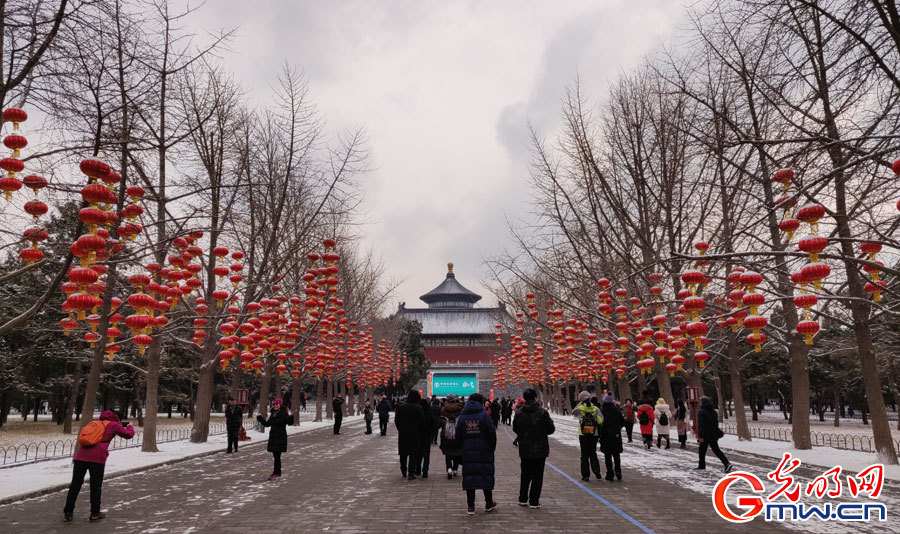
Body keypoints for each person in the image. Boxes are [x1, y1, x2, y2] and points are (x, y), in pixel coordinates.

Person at [63, 411, 134, 522]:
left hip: (80, 457)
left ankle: (68, 512)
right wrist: (129, 426)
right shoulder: (113, 425)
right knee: (95, 486)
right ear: (115, 418)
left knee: (75, 485)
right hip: (97, 458)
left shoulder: (94, 423)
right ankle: (95, 513)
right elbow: (128, 435)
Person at [513, 388, 555, 508]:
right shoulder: (542, 412)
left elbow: (515, 428)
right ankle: (534, 501)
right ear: (536, 397)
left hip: (525, 448)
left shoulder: (519, 412)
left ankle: (522, 498)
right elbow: (551, 429)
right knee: (537, 475)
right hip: (539, 448)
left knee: (525, 474)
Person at [456, 393, 498, 515]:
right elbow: (492, 433)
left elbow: (458, 434)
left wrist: (462, 447)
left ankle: (470, 506)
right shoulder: (484, 415)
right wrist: (491, 448)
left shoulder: (463, 416)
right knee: (486, 475)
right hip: (484, 450)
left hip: (468, 451)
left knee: (470, 477)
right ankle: (488, 503)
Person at [257, 398, 295, 480]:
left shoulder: (284, 413)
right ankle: (277, 472)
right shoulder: (273, 414)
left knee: (277, 456)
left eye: (277, 404)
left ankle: (276, 472)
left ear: (280, 405)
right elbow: (267, 424)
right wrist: (260, 419)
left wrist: (291, 417)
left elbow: (289, 423)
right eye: (274, 404)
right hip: (273, 436)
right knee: (275, 456)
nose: (275, 406)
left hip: (280, 436)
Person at [395, 390, 427, 480]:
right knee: (413, 454)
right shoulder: (418, 408)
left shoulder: (401, 407)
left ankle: (403, 470)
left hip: (403, 433)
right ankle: (411, 473)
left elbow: (397, 420)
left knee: (403, 453)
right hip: (415, 434)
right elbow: (422, 421)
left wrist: (400, 429)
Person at [698, 396, 733, 472]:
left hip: (705, 435)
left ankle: (702, 465)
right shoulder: (713, 411)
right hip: (713, 434)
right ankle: (726, 463)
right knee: (716, 450)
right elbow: (715, 424)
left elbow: (701, 425)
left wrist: (700, 436)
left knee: (702, 450)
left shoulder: (701, 412)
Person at [573, 391, 602, 481]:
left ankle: (585, 475)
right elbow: (601, 421)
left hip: (583, 434)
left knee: (584, 455)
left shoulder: (580, 408)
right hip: (594, 434)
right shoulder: (596, 409)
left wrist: (580, 404)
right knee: (593, 453)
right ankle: (596, 471)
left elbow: (573, 412)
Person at [599, 395, 625, 481]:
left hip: (605, 436)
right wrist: (617, 429)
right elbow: (622, 422)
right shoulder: (617, 411)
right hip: (616, 436)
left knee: (608, 456)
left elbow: (599, 423)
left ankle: (610, 473)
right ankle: (618, 471)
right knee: (616, 455)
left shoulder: (601, 411)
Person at [440, 394, 463, 478]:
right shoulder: (460, 409)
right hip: (457, 434)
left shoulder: (443, 409)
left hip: (446, 434)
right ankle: (455, 469)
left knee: (448, 453)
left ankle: (449, 468)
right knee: (457, 452)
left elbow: (441, 422)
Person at [417, 396, 435, 478]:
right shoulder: (429, 412)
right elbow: (433, 424)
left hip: (418, 435)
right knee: (426, 454)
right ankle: (425, 471)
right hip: (427, 436)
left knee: (418, 453)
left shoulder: (417, 412)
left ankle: (417, 469)